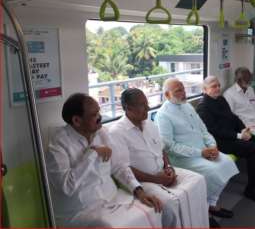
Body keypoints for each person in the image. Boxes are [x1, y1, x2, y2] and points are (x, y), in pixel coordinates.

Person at [46, 93, 176, 228]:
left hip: (113, 199)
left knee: (158, 209)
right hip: (82, 211)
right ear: (77, 121)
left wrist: (140, 192)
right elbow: (67, 186)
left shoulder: (102, 133)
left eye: (99, 112)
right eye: (94, 115)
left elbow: (120, 167)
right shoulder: (58, 145)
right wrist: (92, 154)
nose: (100, 118)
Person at [109, 88, 209, 228]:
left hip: (162, 171)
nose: (148, 107)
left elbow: (161, 149)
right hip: (143, 180)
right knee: (170, 204)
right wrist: (157, 179)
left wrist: (168, 167)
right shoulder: (116, 133)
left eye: (147, 103)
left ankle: (198, 222)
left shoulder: (149, 123)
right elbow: (124, 168)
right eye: (142, 105)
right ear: (128, 108)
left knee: (199, 180)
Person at [156, 78, 239, 219]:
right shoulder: (163, 115)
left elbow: (203, 129)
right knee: (215, 171)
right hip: (183, 158)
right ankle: (205, 211)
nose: (184, 93)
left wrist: (212, 145)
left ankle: (210, 204)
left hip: (204, 150)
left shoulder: (187, 106)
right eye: (178, 91)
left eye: (183, 88)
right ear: (167, 95)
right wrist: (200, 152)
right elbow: (170, 147)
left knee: (227, 162)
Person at [197, 76, 255, 205]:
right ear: (205, 89)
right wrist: (239, 136)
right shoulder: (203, 107)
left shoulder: (221, 99)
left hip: (234, 134)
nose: (217, 88)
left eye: (218, 85)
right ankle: (251, 189)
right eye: (213, 86)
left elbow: (233, 117)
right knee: (253, 148)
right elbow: (213, 131)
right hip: (220, 141)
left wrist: (245, 130)